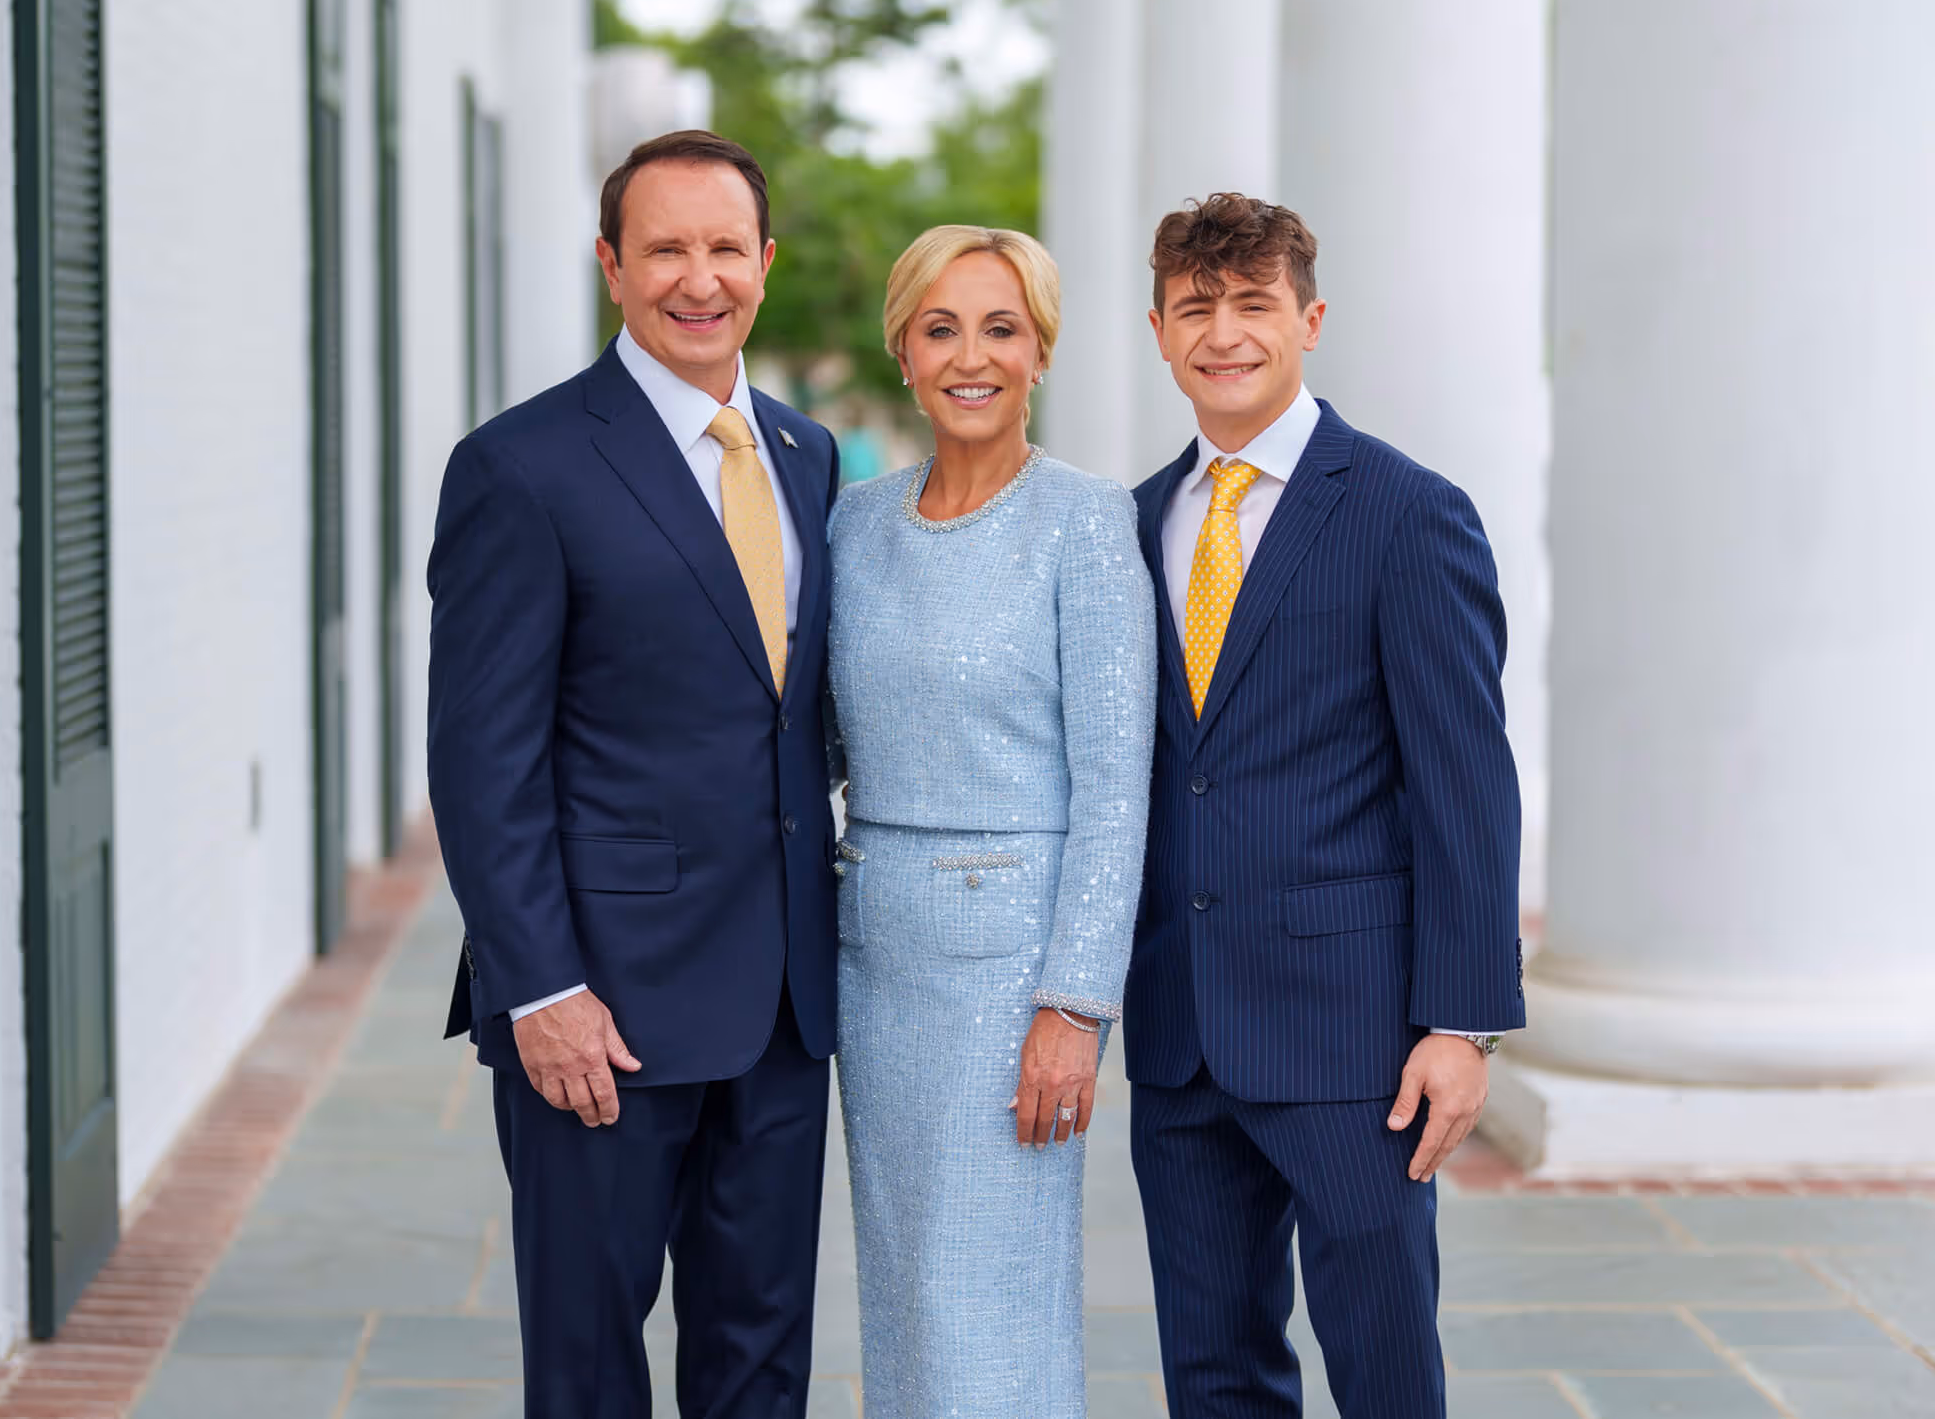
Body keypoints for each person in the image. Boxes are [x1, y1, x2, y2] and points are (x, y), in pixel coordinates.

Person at [427, 129, 840, 1418]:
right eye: (664, 247)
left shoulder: (805, 455)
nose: (696, 277)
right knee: (589, 1361)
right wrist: (538, 985)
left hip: (781, 1006)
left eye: (724, 247)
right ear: (611, 265)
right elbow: (481, 760)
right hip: (598, 1007)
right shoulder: (521, 466)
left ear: (763, 265)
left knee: (760, 1357)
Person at [1124, 193, 1525, 1419]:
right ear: (1157, 330)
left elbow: (1464, 782)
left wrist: (1460, 1024)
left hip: (1356, 1038)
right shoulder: (1135, 521)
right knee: (1212, 1368)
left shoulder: (1406, 511)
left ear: (1307, 317)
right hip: (1182, 1026)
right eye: (1196, 307)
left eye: (1252, 303)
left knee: (1383, 1359)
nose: (1224, 331)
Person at [827, 226, 1156, 1417]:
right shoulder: (852, 522)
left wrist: (1073, 1003)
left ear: (1041, 351)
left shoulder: (1084, 521)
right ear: (903, 352)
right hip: (876, 957)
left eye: (1001, 328)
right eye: (941, 327)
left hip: (1014, 973)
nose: (971, 356)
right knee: (907, 1288)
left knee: (991, 1301)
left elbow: (1117, 784)